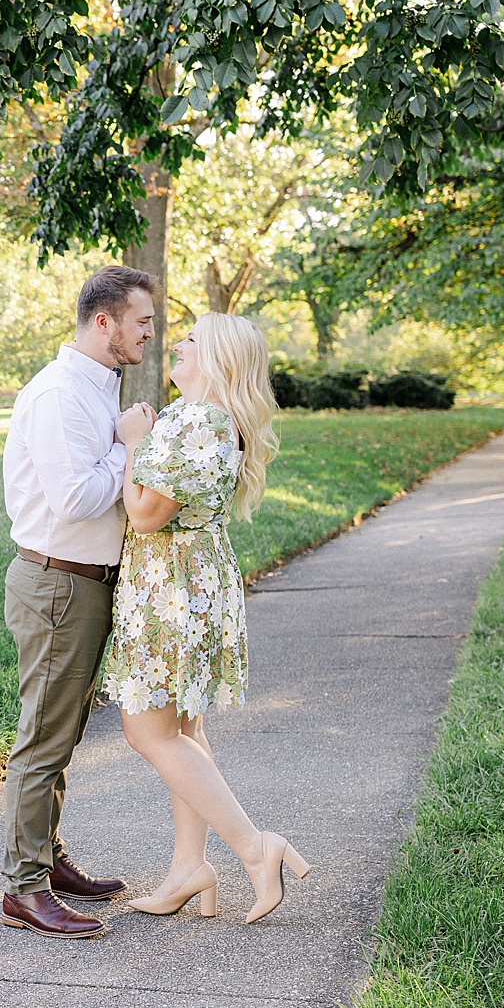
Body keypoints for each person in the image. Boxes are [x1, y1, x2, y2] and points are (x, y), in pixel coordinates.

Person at [103, 312, 310, 923]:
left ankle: (255, 848)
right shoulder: (216, 421)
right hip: (196, 584)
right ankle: (189, 869)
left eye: (193, 340)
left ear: (217, 359)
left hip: (169, 590)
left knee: (149, 732)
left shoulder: (194, 420)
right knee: (183, 732)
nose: (179, 345)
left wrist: (133, 441)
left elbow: (144, 516)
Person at [0, 264, 160, 940]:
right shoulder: (62, 395)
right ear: (105, 322)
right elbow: (76, 498)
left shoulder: (95, 389)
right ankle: (24, 888)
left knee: (61, 738)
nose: (150, 335)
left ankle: (49, 859)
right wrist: (130, 448)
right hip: (58, 582)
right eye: (142, 323)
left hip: (84, 583)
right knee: (42, 740)